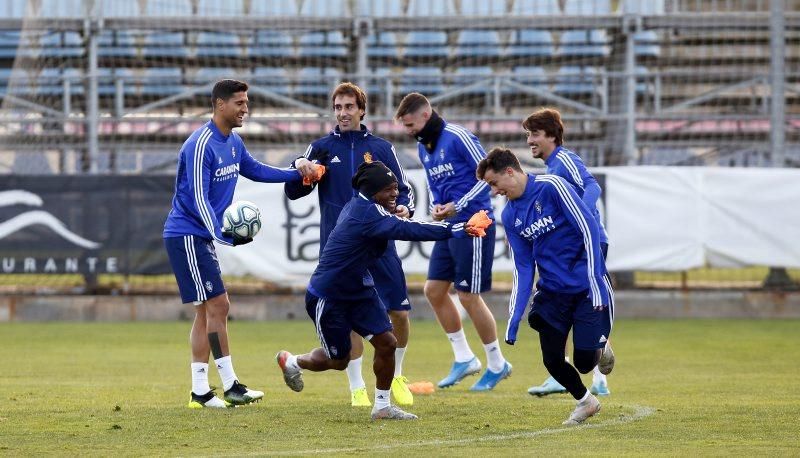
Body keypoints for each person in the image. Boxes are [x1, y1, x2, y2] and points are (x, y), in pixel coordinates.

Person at [276, 161, 486, 420]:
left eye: (396, 188)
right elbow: (411, 229)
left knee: (387, 343)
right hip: (329, 296)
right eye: (388, 189)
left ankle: (383, 407)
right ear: (373, 191)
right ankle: (293, 361)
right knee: (339, 361)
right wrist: (460, 228)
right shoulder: (367, 215)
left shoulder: (366, 205)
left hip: (360, 290)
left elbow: (393, 221)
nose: (394, 194)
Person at [163, 79, 318, 409]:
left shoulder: (233, 141)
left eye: (247, 102)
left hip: (200, 235)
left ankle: (201, 392)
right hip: (188, 234)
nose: (246, 109)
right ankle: (231, 386)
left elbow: (257, 170)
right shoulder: (200, 144)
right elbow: (199, 200)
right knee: (219, 306)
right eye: (240, 103)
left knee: (207, 313)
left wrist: (298, 173)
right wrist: (220, 233)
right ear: (220, 105)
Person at [284, 82, 417, 408]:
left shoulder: (383, 148)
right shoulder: (321, 148)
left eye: (348, 107)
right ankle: (357, 387)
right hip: (339, 249)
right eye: (338, 107)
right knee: (350, 315)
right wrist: (301, 169)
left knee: (398, 310)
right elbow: (293, 189)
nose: (343, 113)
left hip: (379, 243)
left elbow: (404, 189)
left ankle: (397, 373)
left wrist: (404, 209)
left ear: (361, 110)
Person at [476, 147, 615, 425]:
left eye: (494, 183)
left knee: (584, 362)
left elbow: (587, 227)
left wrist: (597, 281)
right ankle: (585, 402)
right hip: (552, 291)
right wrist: (514, 319)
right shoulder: (511, 215)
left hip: (587, 287)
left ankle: (601, 348)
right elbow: (524, 267)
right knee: (551, 359)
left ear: (510, 172)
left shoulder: (552, 186)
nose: (494, 190)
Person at [394, 92, 511, 391]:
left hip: (473, 223)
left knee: (468, 295)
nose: (408, 131)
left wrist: (458, 205)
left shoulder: (457, 136)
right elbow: (437, 186)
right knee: (433, 290)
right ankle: (464, 358)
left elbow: (487, 177)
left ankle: (497, 363)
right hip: (449, 225)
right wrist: (438, 207)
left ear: (424, 115)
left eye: (410, 124)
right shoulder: (425, 148)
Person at [521, 108, 612, 397]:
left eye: (534, 134)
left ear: (552, 135)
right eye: (527, 135)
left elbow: (592, 185)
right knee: (569, 301)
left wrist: (581, 218)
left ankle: (594, 348)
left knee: (579, 298)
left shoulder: (565, 160)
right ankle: (588, 358)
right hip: (577, 245)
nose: (529, 141)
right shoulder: (551, 168)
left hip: (589, 243)